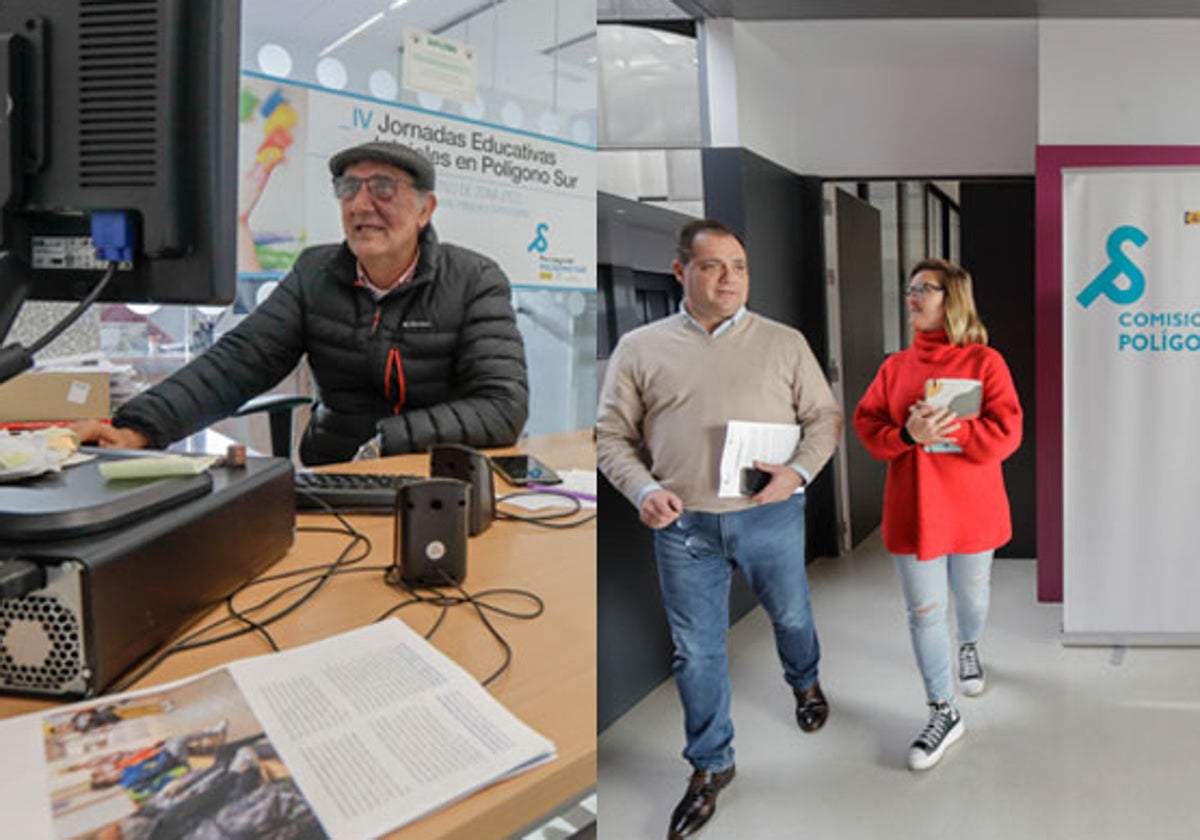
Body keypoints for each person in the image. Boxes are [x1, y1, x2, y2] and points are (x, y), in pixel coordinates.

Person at [597, 219, 842, 840]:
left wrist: (797, 474)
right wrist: (644, 489)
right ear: (681, 271)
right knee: (696, 651)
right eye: (713, 266)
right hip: (683, 529)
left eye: (739, 265)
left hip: (770, 514)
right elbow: (611, 438)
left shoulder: (784, 343)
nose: (730, 277)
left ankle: (804, 680)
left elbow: (824, 418)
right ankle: (711, 766)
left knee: (790, 616)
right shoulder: (641, 348)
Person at [75, 140, 528, 465]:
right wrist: (140, 427)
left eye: (383, 188)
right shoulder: (316, 273)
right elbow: (240, 361)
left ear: (426, 209)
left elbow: (502, 406)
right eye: (349, 189)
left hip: (436, 477)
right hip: (333, 474)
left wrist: (385, 441)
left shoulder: (474, 280)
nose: (360, 205)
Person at [853, 257, 1022, 772]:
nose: (913, 297)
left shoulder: (984, 363)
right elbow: (867, 426)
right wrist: (907, 436)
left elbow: (1008, 433)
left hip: (971, 509)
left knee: (972, 596)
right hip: (915, 511)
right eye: (910, 288)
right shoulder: (895, 368)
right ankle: (942, 709)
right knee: (923, 613)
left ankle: (969, 645)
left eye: (925, 288)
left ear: (953, 300)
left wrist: (955, 431)